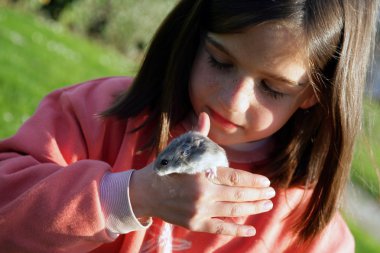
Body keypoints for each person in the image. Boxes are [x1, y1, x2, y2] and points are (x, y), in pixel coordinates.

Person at [0, 0, 378, 252]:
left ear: (312, 94)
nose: (234, 100)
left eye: (272, 88)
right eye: (220, 60)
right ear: (194, 38)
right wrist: (129, 196)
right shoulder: (98, 114)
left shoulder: (306, 223)